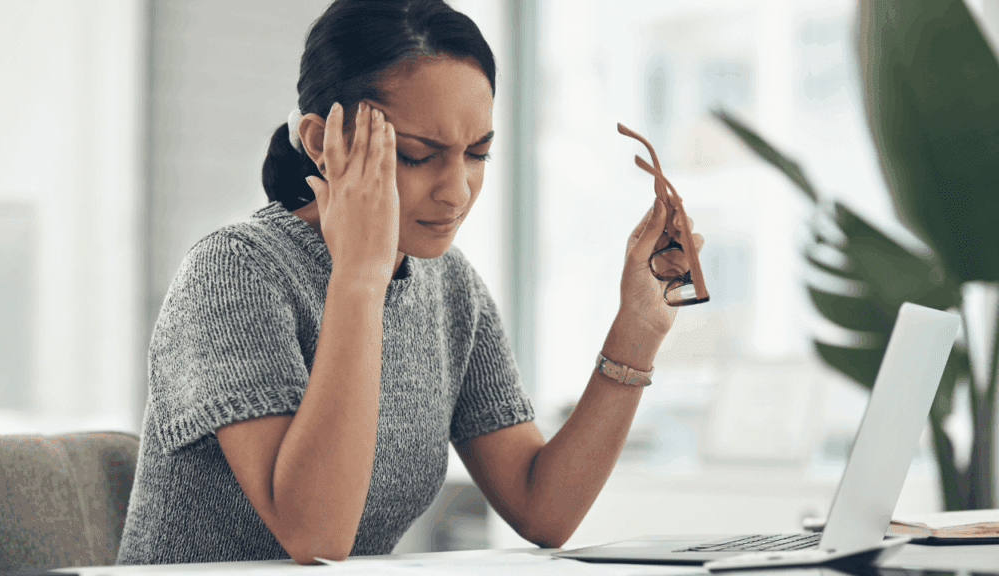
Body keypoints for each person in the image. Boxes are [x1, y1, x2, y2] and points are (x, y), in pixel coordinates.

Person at [117, 0, 702, 566]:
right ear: (323, 142)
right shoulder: (233, 272)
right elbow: (314, 535)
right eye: (420, 155)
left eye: (478, 154)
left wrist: (638, 328)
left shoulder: (449, 287)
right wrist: (359, 276)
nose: (457, 191)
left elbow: (541, 508)